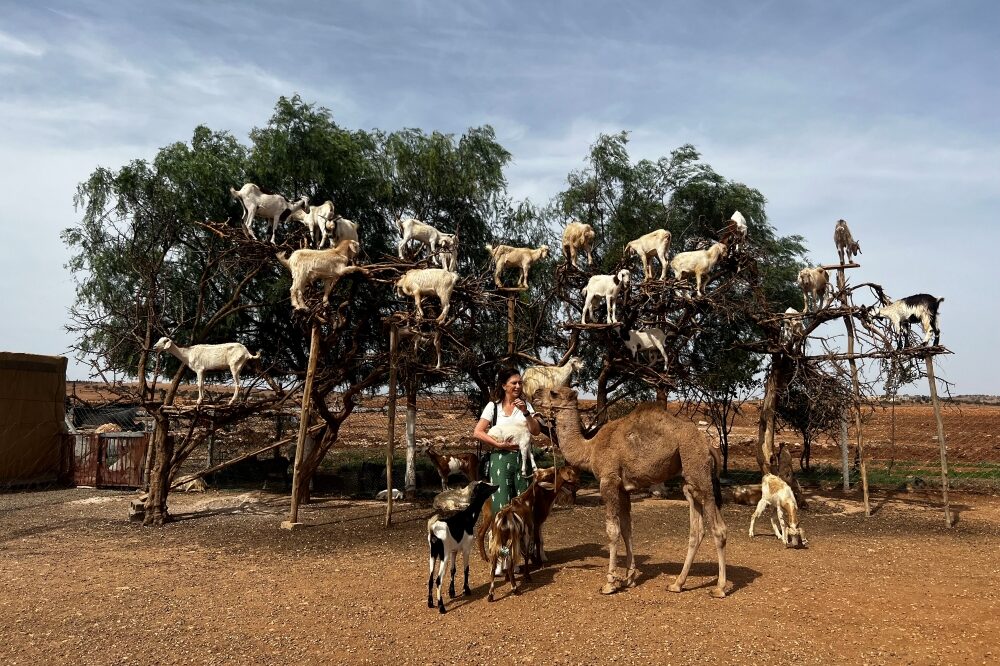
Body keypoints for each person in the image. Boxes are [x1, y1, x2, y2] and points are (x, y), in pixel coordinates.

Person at [472, 366, 542, 513]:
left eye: (520, 383)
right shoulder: (493, 407)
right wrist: (498, 444)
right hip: (500, 459)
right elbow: (478, 432)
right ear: (504, 386)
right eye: (514, 383)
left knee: (524, 505)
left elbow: (535, 431)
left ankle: (522, 536)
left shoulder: (526, 406)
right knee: (501, 505)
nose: (518, 386)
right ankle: (500, 535)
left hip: (523, 460)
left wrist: (525, 412)